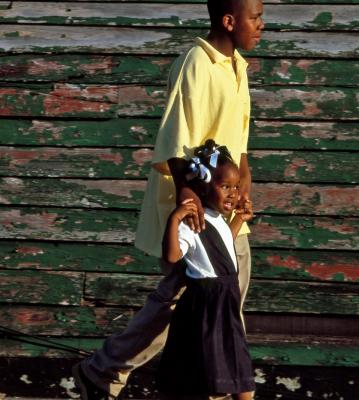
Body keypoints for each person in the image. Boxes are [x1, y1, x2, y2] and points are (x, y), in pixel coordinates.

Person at [72, 0, 264, 398]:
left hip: (226, 212)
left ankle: (107, 372)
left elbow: (239, 149)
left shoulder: (237, 68)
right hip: (199, 213)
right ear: (229, 21)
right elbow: (178, 146)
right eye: (255, 17)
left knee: (211, 303)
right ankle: (108, 371)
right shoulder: (196, 62)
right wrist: (193, 214)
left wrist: (243, 192)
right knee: (194, 303)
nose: (262, 25)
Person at [157, 140, 255, 399]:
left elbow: (222, 247)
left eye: (235, 187)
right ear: (202, 186)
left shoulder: (219, 219)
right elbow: (172, 255)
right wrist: (175, 218)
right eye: (225, 187)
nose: (233, 194)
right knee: (205, 373)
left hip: (227, 300)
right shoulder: (192, 222)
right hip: (206, 304)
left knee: (240, 371)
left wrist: (238, 222)